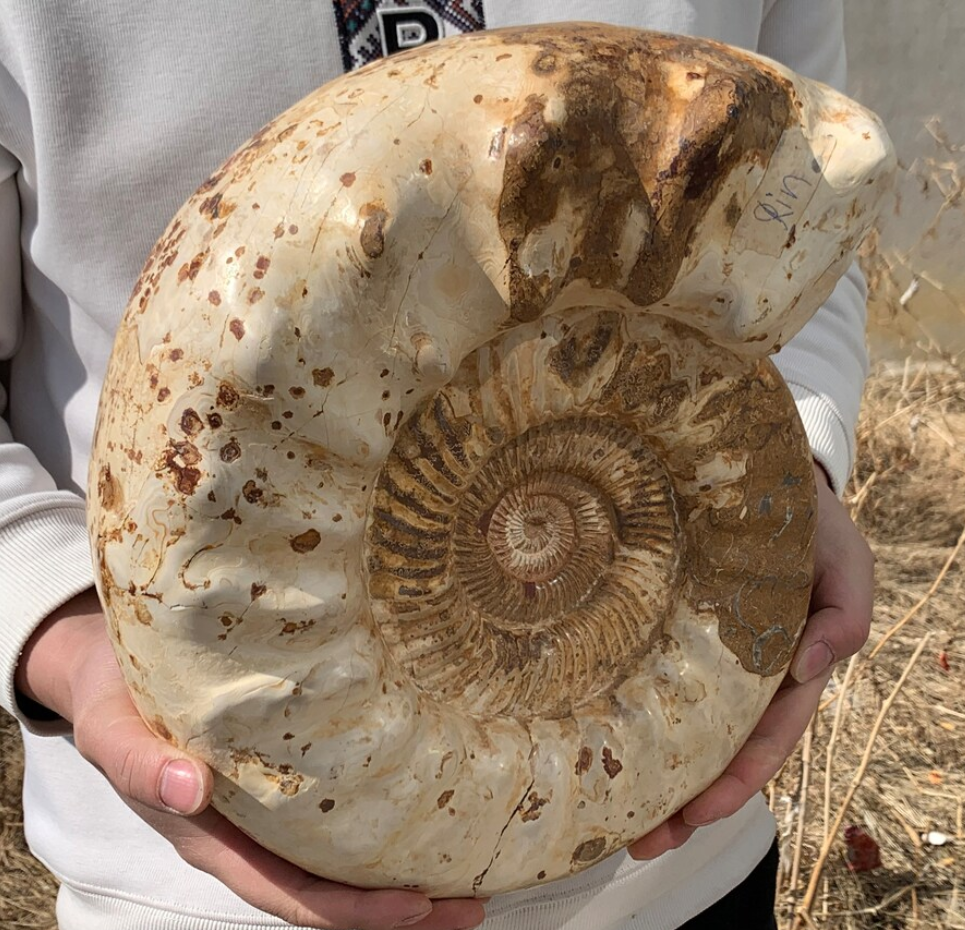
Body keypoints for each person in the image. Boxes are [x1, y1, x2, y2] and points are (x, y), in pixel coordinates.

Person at [0, 2, 875, 928]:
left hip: (682, 854)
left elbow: (799, 208)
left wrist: (799, 468)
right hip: (204, 874)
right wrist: (64, 632)